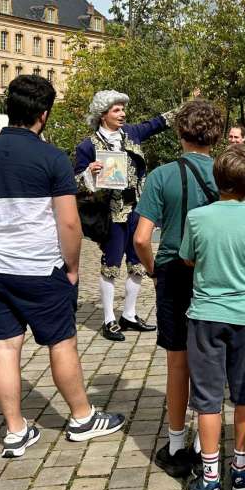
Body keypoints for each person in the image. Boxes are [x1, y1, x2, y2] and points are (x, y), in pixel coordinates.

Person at [0, 75, 125, 457]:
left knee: (5, 344)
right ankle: (82, 417)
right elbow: (69, 223)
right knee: (61, 341)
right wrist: (72, 267)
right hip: (39, 268)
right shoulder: (51, 158)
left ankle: (16, 430)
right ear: (44, 115)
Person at [133, 100, 222, 478]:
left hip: (172, 269)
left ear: (179, 132)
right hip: (213, 272)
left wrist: (154, 271)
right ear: (216, 135)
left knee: (177, 361)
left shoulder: (161, 176)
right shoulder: (226, 173)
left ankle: (175, 444)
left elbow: (141, 238)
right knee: (210, 359)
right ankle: (206, 443)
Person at [182, 146, 245, 490]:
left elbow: (188, 258)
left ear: (216, 178)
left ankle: (209, 479)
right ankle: (240, 469)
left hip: (205, 315)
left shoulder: (197, 217)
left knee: (207, 399)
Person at [75, 90, 176, 342]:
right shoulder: (88, 146)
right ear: (103, 114)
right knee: (111, 264)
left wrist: (188, 108)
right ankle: (109, 318)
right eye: (117, 110)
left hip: (137, 207)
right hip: (111, 211)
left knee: (137, 261)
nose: (122, 114)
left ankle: (129, 314)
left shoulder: (131, 133)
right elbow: (74, 183)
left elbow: (158, 123)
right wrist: (89, 173)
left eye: (123, 109)